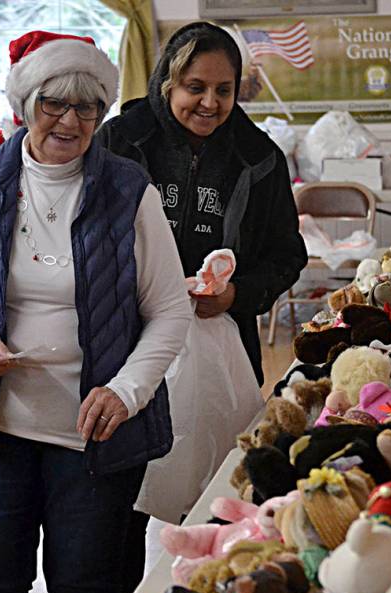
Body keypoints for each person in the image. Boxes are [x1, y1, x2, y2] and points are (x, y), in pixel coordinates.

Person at [0, 31, 192, 593]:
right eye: (54, 104)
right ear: (25, 104)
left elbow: (170, 310)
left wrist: (125, 392)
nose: (69, 121)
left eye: (87, 107)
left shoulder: (129, 193)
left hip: (94, 436)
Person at [98, 22, 306, 389]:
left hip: (222, 347)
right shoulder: (120, 142)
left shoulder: (258, 158)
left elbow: (286, 255)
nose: (210, 103)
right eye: (195, 88)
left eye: (224, 90)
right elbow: (84, 236)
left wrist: (235, 294)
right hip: (126, 343)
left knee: (219, 445)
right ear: (168, 82)